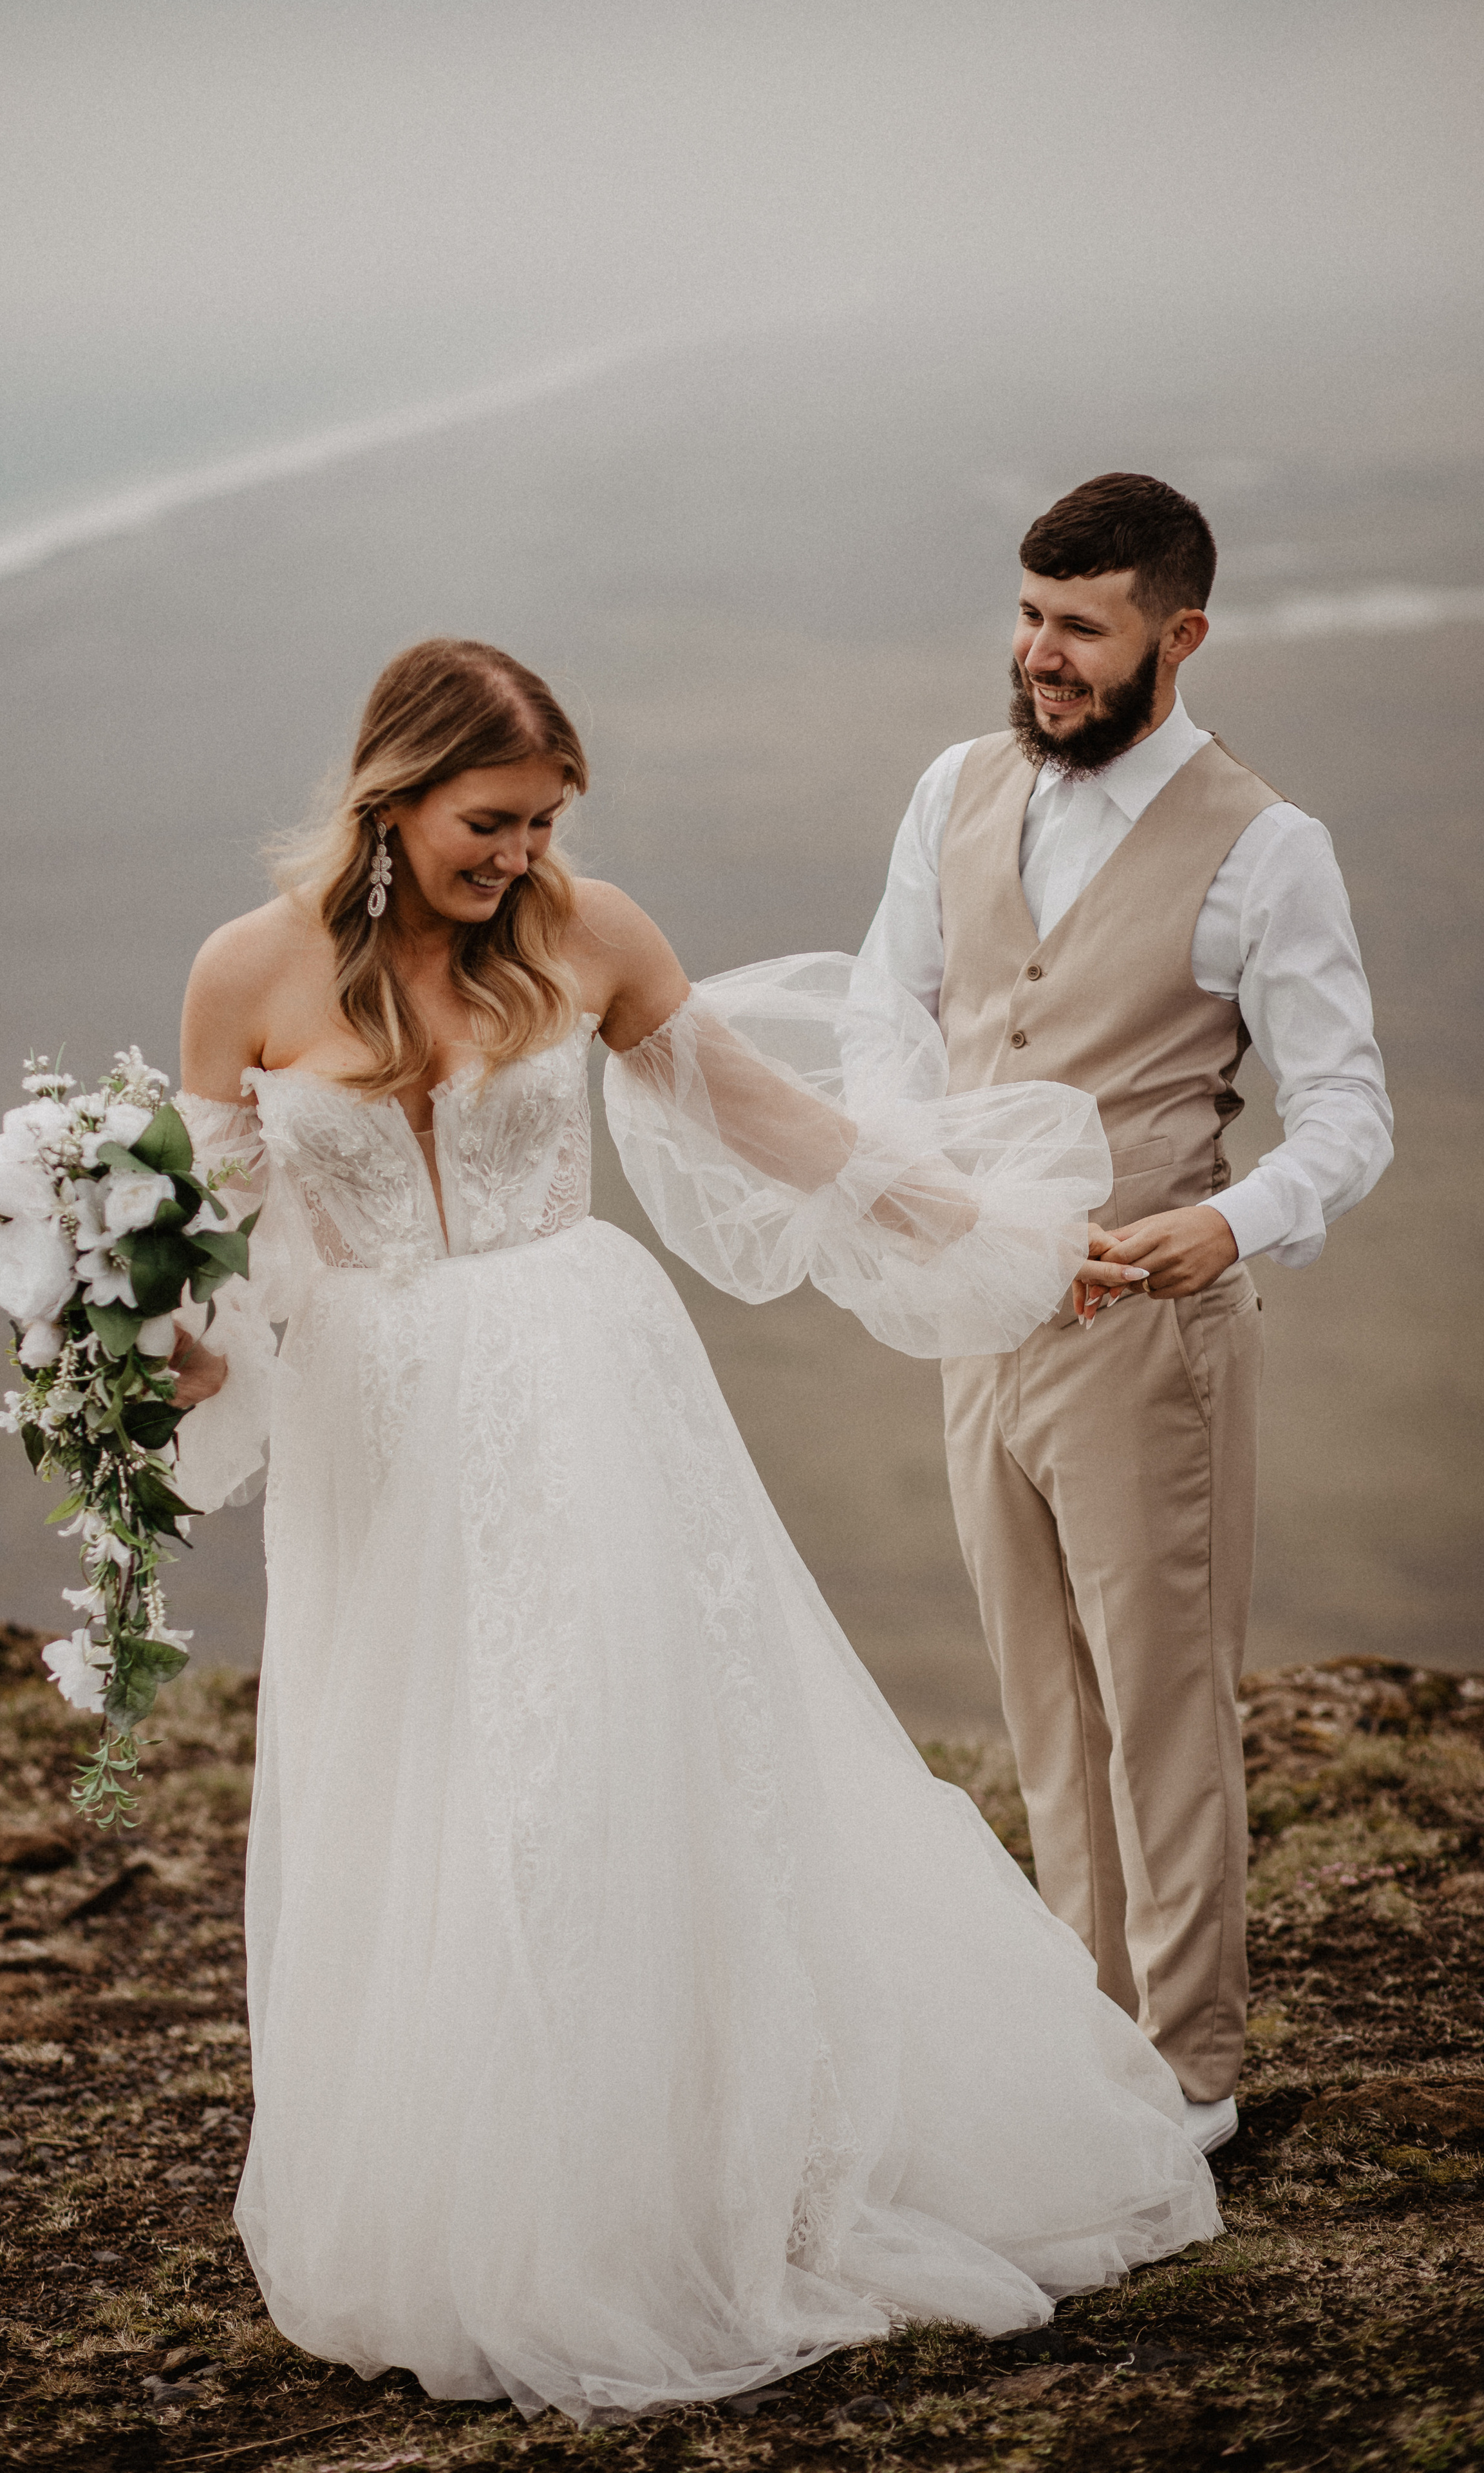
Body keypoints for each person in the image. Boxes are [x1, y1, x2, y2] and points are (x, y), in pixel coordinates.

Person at [167, 636, 1215, 2425]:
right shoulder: (245, 975)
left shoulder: (590, 931)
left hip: (580, 1391)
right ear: (391, 795)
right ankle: (486, 2172)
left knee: (610, 1760)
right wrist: (119, 1333)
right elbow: (215, 1256)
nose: (520, 855)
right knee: (423, 1776)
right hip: (379, 1436)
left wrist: (998, 1239)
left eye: (546, 819)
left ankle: (688, 2171)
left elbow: (770, 1118)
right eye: (489, 821)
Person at [858, 473, 1393, 2161]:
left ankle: (1192, 2084)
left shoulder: (1268, 848)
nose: (1040, 658)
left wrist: (1216, 1228)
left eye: (1079, 629)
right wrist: (914, 1173)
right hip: (975, 1320)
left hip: (1149, 1339)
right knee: (1040, 1699)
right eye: (1029, 618)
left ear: (1181, 634)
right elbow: (885, 1010)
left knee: (1158, 1704)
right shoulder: (953, 785)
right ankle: (1085, 2046)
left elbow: (1351, 1112)